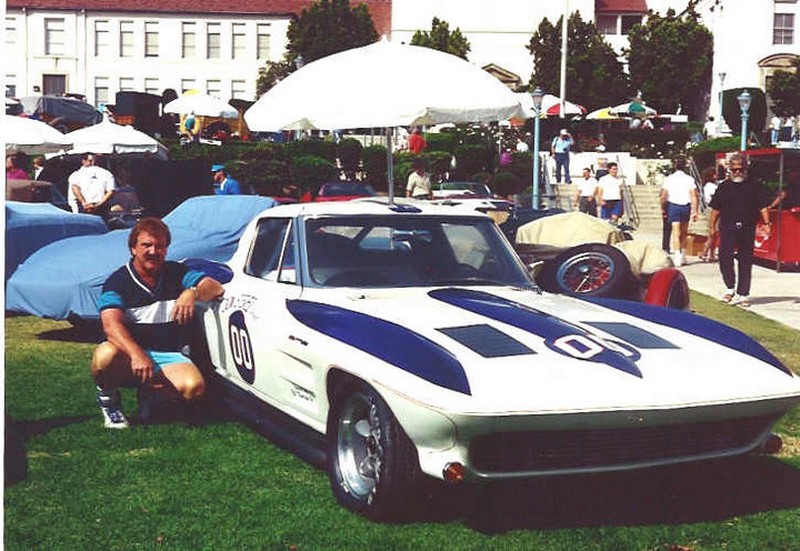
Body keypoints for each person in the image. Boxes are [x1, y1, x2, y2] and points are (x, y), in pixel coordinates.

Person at [91, 218, 225, 428]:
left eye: (160, 246)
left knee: (194, 388)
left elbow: (215, 287)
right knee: (105, 356)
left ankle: (150, 394)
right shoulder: (118, 282)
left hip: (166, 354)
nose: (153, 251)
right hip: (128, 356)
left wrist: (192, 292)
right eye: (146, 245)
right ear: (133, 248)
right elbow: (111, 325)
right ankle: (110, 402)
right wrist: (137, 355)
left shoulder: (176, 272)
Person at [709, 154, 773, 308]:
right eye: (734, 170)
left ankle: (743, 293)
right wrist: (712, 227)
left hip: (747, 227)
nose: (737, 172)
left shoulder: (755, 186)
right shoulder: (723, 187)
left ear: (745, 169)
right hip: (728, 227)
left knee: (745, 260)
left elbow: (762, 206)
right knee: (725, 257)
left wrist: (767, 223)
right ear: (729, 170)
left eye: (740, 169)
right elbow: (715, 209)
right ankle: (730, 288)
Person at [659, 156, 699, 267]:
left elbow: (663, 196)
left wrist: (663, 208)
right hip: (686, 206)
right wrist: (695, 211)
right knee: (684, 232)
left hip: (673, 205)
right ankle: (683, 254)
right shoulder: (689, 179)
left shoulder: (668, 179)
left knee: (676, 232)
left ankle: (677, 255)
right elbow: (694, 195)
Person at [700, 165, 720, 262]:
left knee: (715, 233)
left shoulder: (713, 185)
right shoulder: (710, 186)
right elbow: (713, 198)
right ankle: (704, 252)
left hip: (715, 209)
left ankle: (712, 254)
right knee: (713, 232)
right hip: (712, 209)